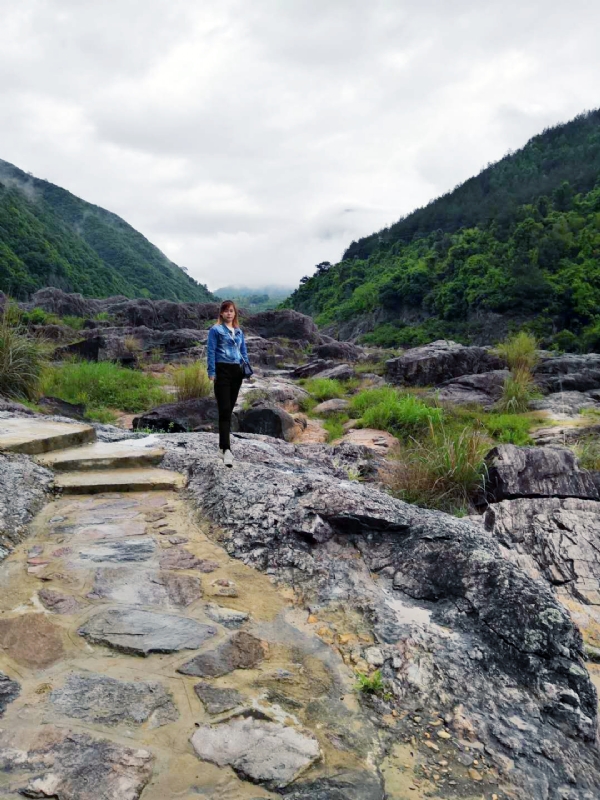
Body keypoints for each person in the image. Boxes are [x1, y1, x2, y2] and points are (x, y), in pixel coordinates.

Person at [207, 300, 250, 467]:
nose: (229, 313)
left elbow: (244, 352)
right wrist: (211, 372)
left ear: (235, 313)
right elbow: (211, 351)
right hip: (222, 371)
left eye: (231, 311)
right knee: (224, 409)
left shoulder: (239, 332)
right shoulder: (215, 330)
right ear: (221, 313)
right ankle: (226, 450)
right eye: (226, 311)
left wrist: (246, 369)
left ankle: (222, 447)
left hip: (236, 372)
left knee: (229, 410)